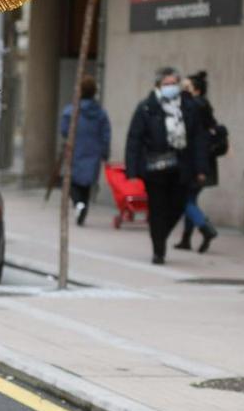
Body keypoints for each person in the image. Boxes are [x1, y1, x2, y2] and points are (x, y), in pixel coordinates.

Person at [125, 67, 207, 265]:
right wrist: (133, 170)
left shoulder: (188, 106)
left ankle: (161, 234)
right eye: (166, 84)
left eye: (173, 83)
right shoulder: (146, 107)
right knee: (157, 207)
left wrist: (201, 167)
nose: (171, 88)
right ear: (158, 86)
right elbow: (134, 139)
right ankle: (158, 249)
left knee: (179, 205)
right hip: (155, 168)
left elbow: (198, 138)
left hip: (181, 166)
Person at [174, 71, 223, 253]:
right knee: (190, 199)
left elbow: (196, 139)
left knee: (183, 200)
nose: (181, 92)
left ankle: (206, 228)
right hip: (203, 162)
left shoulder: (193, 108)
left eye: (186, 88)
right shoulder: (204, 106)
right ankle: (186, 239)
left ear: (195, 90)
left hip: (195, 162)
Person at [58, 75, 110, 226]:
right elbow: (106, 133)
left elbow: (64, 130)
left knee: (72, 182)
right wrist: (104, 152)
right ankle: (83, 208)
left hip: (75, 151)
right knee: (86, 185)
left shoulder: (71, 110)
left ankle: (78, 204)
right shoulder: (100, 113)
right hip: (93, 152)